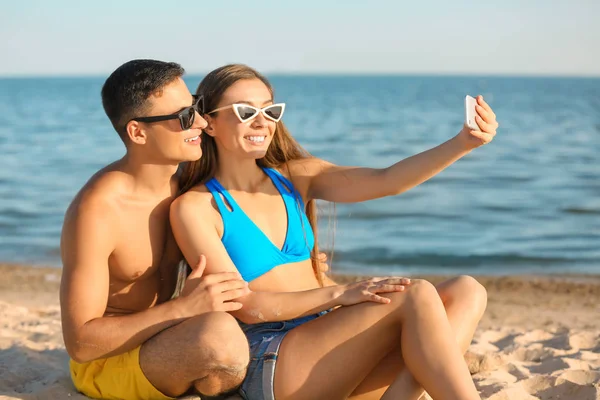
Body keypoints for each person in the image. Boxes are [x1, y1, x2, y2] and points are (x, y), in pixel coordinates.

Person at [170, 64, 497, 400]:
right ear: (208, 122)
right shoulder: (196, 207)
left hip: (335, 348)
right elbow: (246, 307)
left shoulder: (296, 178)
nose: (262, 121)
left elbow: (387, 180)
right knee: (413, 294)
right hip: (274, 359)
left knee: (466, 290)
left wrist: (462, 143)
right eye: (245, 111)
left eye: (270, 110)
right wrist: (341, 294)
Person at [60, 59, 254, 400]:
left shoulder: (191, 181)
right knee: (220, 339)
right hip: (108, 361)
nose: (200, 121)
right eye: (183, 117)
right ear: (138, 132)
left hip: (172, 333)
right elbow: (80, 343)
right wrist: (184, 308)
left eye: (195, 106)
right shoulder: (99, 211)